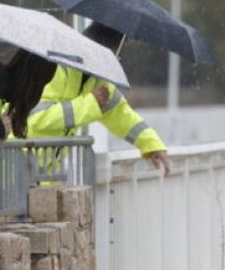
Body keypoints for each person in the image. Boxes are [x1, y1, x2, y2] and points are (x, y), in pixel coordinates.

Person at [27, 22, 171, 175]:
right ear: (102, 50)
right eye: (115, 52)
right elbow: (37, 118)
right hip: (17, 165)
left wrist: (153, 145)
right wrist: (90, 103)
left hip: (44, 173)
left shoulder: (97, 81)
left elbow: (123, 117)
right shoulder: (55, 68)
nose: (116, 58)